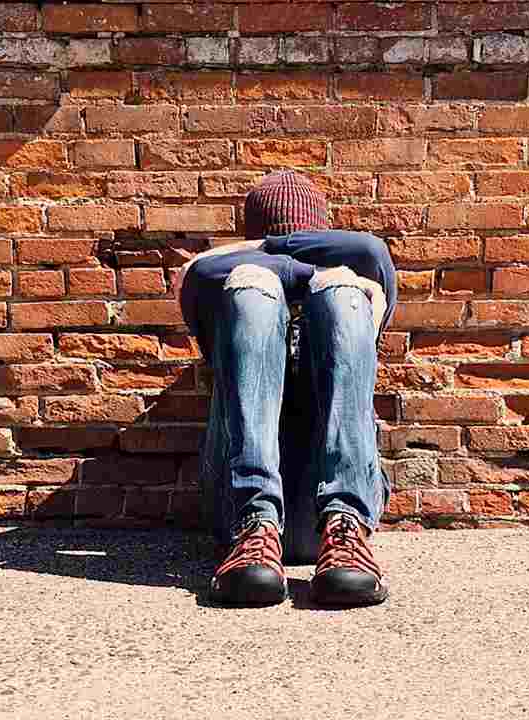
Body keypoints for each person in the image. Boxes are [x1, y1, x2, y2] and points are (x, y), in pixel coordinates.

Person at [178, 170, 398, 608]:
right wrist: (276, 263)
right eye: (273, 243)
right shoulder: (229, 295)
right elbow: (203, 271)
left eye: (303, 238)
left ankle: (346, 523)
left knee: (340, 290)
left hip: (336, 523)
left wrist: (271, 251)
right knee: (252, 289)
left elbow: (370, 251)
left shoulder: (355, 289)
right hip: (240, 520)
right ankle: (256, 524)